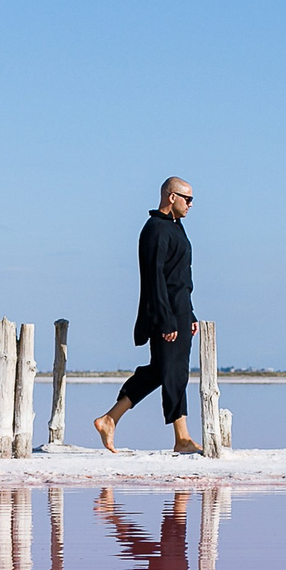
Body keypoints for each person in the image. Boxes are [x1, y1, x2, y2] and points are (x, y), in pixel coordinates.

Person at [95, 177, 199, 453]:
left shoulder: (177, 229)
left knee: (159, 372)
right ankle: (182, 439)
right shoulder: (155, 229)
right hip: (165, 316)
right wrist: (165, 319)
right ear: (170, 196)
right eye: (187, 199)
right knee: (173, 373)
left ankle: (110, 418)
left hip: (180, 313)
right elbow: (155, 279)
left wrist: (190, 315)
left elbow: (179, 279)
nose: (190, 205)